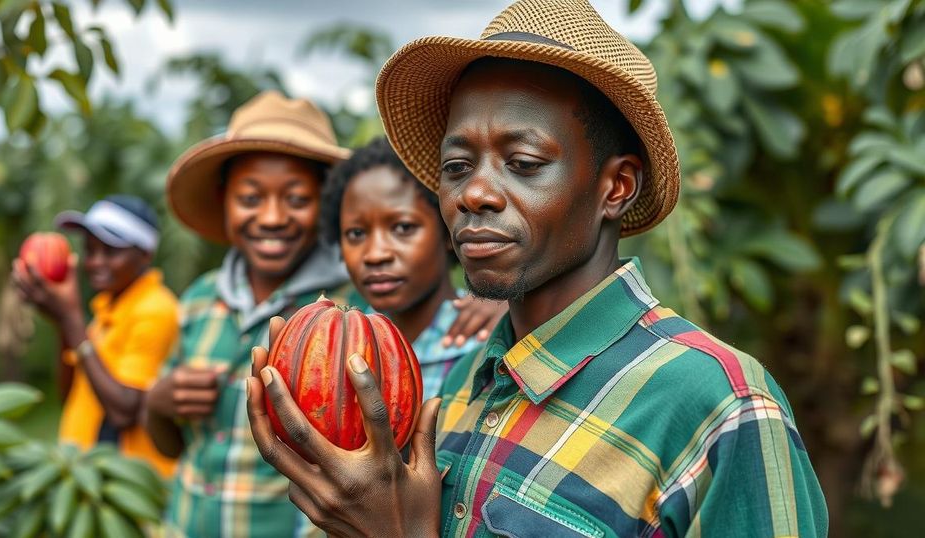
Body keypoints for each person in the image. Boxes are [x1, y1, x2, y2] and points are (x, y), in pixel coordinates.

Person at [246, 1, 829, 537]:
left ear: (615, 187)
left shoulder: (720, 410)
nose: (474, 192)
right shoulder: (458, 387)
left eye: (522, 162)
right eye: (456, 165)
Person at [145, 91, 500, 537]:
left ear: (320, 204)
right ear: (224, 198)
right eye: (251, 197)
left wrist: (491, 293)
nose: (272, 216)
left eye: (295, 198)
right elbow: (171, 440)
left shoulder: (350, 307)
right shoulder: (199, 299)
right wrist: (155, 403)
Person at [12, 194, 178, 477]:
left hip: (130, 487)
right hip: (90, 478)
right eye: (90, 250)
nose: (95, 262)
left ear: (145, 255)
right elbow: (71, 392)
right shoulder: (108, 308)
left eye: (111, 251)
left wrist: (71, 320)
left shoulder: (156, 309)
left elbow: (124, 411)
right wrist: (62, 323)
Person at [321, 137, 491, 399]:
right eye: (356, 233)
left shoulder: (487, 343)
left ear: (448, 230)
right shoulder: (332, 348)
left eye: (403, 228)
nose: (375, 254)